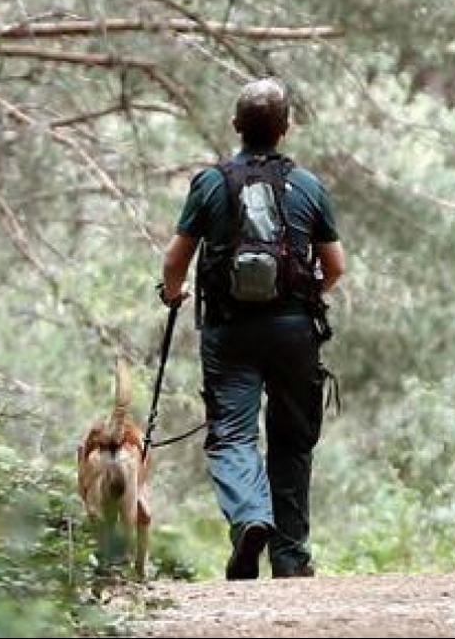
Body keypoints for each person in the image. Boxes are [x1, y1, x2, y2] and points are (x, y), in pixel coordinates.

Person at [159, 77, 345, 580]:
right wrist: (309, 292)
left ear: (237, 126)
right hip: (293, 331)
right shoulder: (306, 185)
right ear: (285, 129)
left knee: (232, 436)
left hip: (230, 331)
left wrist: (173, 292)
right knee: (291, 440)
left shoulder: (211, 183)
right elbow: (336, 264)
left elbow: (176, 259)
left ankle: (249, 519)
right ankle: (290, 556)